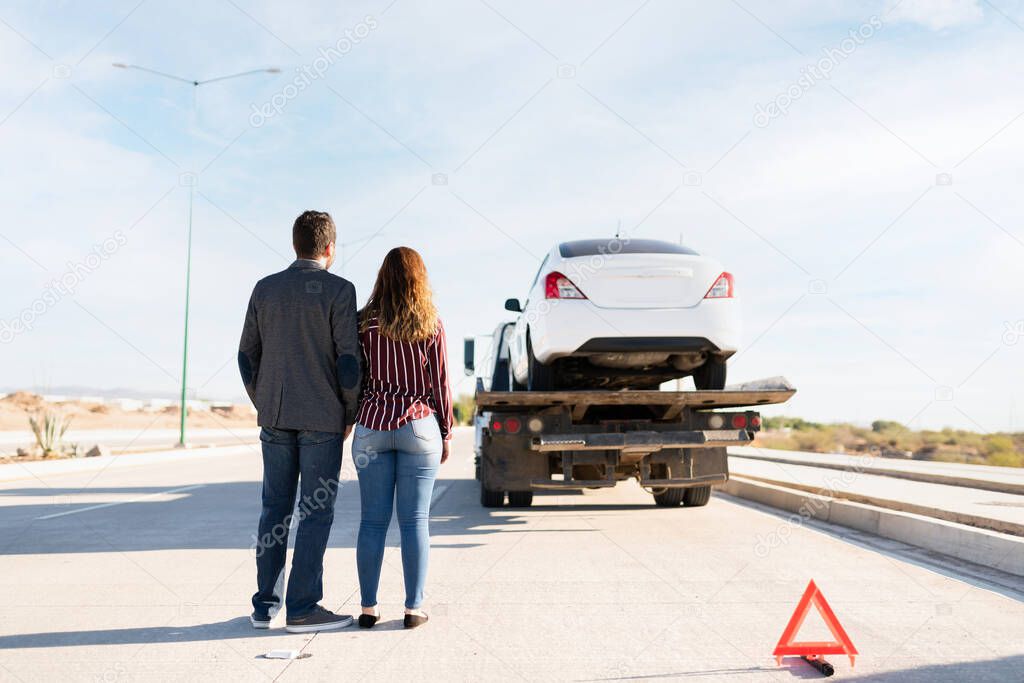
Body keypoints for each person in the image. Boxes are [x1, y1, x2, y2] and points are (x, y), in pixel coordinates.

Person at [238, 210, 361, 633]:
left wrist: (264, 400)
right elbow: (348, 361)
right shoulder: (340, 290)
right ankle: (304, 607)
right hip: (322, 420)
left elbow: (245, 356)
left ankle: (265, 605)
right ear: (330, 248)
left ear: (295, 245)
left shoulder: (265, 289)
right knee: (315, 512)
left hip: (274, 415)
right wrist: (348, 412)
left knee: (274, 509)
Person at [352, 246, 452, 630]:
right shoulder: (431, 324)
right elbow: (440, 384)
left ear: (383, 278)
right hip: (418, 425)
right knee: (414, 521)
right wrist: (446, 432)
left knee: (372, 522)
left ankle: (368, 608)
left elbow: (356, 379)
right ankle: (413, 609)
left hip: (372, 425)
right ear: (418, 279)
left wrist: (354, 417)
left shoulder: (363, 324)